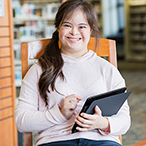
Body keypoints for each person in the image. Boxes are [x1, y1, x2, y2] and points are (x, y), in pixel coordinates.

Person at [15, 0, 131, 146]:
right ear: (58, 28)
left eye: (82, 26)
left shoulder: (107, 70)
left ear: (91, 29)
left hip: (101, 141)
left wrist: (103, 123)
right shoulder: (40, 70)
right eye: (67, 25)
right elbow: (21, 121)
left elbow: (125, 121)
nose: (74, 32)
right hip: (56, 141)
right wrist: (59, 114)